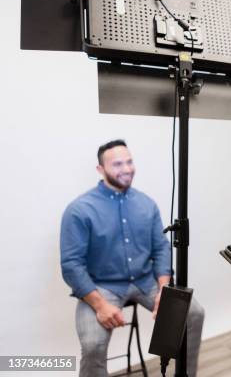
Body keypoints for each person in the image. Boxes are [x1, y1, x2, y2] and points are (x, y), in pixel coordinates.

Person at [60, 140, 205, 377]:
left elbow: (160, 248)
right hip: (101, 287)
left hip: (145, 280)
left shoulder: (146, 204)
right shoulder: (79, 209)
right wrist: (100, 305)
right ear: (100, 169)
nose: (126, 169)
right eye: (117, 164)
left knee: (193, 313)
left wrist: (164, 290)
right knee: (93, 344)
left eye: (129, 161)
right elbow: (71, 265)